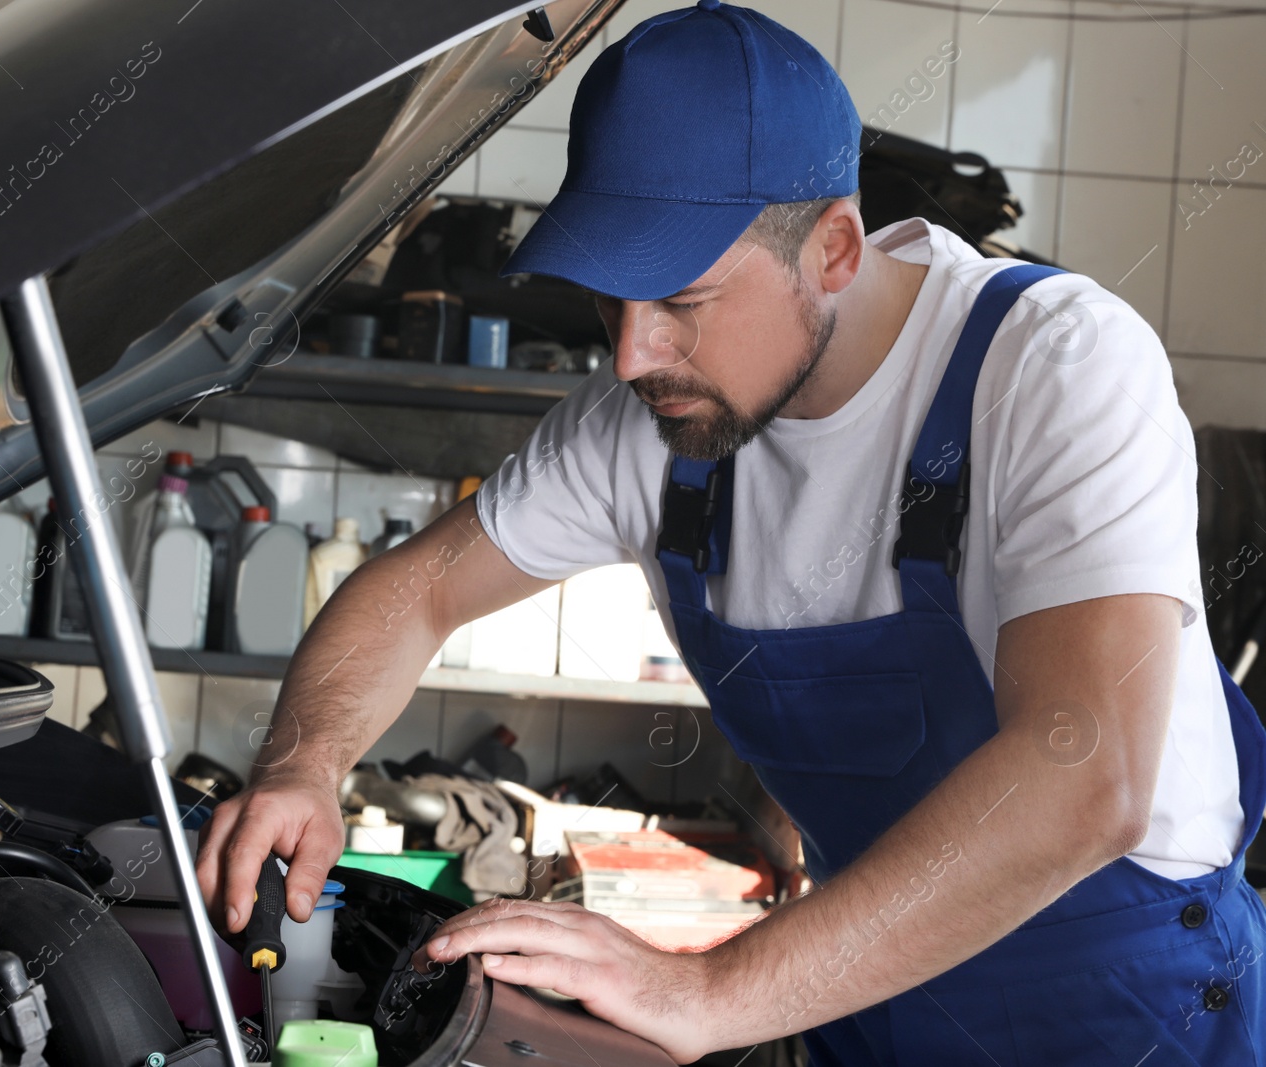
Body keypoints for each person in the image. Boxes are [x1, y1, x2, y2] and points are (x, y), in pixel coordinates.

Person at [196, 3, 1266, 1062]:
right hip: (865, 989)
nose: (629, 354)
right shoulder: (653, 420)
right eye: (610, 300)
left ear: (834, 248)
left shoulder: (1052, 364)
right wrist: (303, 763)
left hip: (1125, 1004)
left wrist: (710, 988)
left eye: (680, 298)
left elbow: (1081, 774)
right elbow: (413, 589)